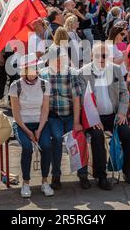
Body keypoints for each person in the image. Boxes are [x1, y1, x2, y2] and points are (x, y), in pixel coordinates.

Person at [78, 43, 130, 189]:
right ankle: (101, 175)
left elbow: (124, 93)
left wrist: (122, 112)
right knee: (97, 136)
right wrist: (93, 118)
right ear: (92, 56)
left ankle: (127, 171)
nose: (101, 58)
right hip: (93, 116)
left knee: (128, 135)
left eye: (104, 55)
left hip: (113, 115)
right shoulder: (84, 72)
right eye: (98, 55)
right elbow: (83, 100)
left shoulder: (115, 69)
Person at [10, 54, 54, 198]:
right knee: (27, 148)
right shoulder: (15, 86)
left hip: (40, 122)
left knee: (47, 146)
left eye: (34, 67)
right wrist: (29, 133)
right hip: (22, 123)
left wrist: (39, 130)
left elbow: (45, 110)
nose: (32, 70)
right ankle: (26, 183)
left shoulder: (44, 84)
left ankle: (45, 182)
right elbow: (16, 115)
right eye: (29, 68)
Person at [39, 47, 83, 190]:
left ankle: (82, 174)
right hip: (53, 116)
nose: (59, 64)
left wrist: (76, 122)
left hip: (70, 114)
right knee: (57, 138)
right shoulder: (43, 75)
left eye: (61, 61)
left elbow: (77, 99)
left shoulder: (71, 74)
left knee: (76, 137)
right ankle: (56, 175)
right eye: (55, 61)